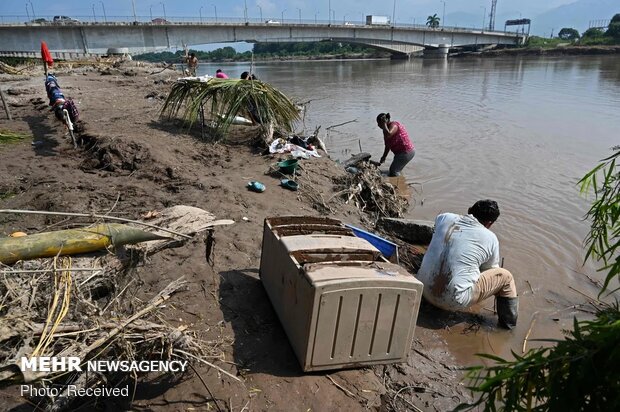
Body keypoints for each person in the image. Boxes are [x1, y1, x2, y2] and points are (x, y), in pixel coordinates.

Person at [416, 200, 519, 329]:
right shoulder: (490, 238)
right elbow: (489, 270)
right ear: (489, 223)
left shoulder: (444, 217)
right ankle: (507, 327)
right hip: (451, 302)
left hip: (422, 288)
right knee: (505, 277)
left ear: (470, 211)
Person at [376, 113, 415, 177]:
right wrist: (384, 157)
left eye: (379, 123)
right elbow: (387, 145)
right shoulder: (385, 130)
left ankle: (398, 183)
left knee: (393, 171)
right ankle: (400, 179)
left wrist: (384, 124)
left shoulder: (394, 125)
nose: (378, 125)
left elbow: (389, 134)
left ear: (384, 121)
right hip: (401, 153)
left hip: (406, 152)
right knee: (395, 169)